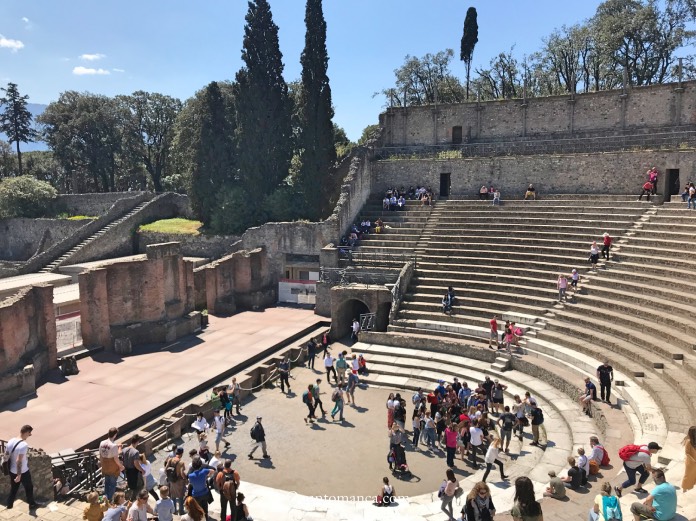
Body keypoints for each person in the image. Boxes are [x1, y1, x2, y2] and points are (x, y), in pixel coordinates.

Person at [4, 424, 36, 510]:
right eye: (30, 433)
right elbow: (19, 460)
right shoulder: (24, 445)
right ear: (26, 432)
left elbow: (6, 456)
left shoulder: (10, 441)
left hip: (11, 470)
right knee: (29, 487)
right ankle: (32, 504)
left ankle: (9, 505)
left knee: (14, 488)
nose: (29, 435)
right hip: (23, 472)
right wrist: (19, 475)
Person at [99, 427, 124, 501]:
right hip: (112, 467)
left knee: (106, 483)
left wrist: (102, 465)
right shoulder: (113, 445)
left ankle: (105, 498)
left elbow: (100, 456)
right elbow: (116, 459)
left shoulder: (102, 442)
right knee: (112, 484)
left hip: (105, 465)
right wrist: (121, 466)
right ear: (115, 435)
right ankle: (110, 500)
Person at [122, 435, 145, 501]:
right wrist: (142, 470)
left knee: (131, 485)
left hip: (127, 471)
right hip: (134, 472)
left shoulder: (124, 449)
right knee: (140, 486)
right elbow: (136, 464)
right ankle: (133, 499)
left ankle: (129, 498)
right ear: (137, 442)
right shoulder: (135, 452)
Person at [165, 446, 186, 514]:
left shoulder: (170, 460)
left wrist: (170, 476)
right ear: (181, 454)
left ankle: (174, 510)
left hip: (171, 480)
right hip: (179, 481)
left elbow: (166, 470)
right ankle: (181, 510)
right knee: (180, 496)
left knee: (173, 495)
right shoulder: (181, 462)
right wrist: (185, 479)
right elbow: (182, 473)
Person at [683, 426, 696, 491]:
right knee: (688, 475)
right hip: (691, 463)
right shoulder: (688, 442)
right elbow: (687, 453)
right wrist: (694, 460)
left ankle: (691, 486)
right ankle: (684, 488)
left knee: (694, 475)